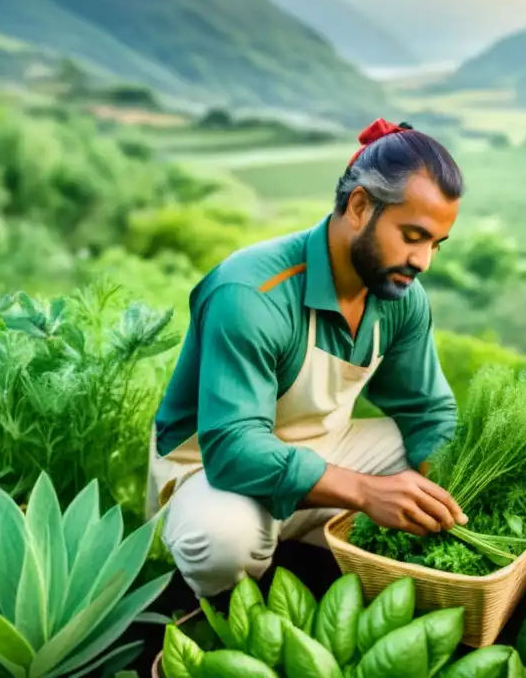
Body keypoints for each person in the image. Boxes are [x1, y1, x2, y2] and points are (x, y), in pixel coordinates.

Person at [146, 117, 469, 598]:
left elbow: (428, 412)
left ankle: (310, 549)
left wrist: (451, 499)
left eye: (435, 245)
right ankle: (219, 604)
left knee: (439, 460)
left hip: (324, 451)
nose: (423, 262)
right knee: (225, 540)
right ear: (360, 206)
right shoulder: (251, 292)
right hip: (212, 471)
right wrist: (365, 492)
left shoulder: (400, 295)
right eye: (413, 236)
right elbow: (233, 446)